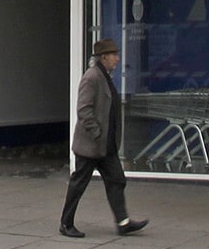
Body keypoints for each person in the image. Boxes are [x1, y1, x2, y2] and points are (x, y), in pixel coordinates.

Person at [60, 37, 147, 238]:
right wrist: (97, 132)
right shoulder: (92, 77)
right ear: (103, 57)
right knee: (78, 184)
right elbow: (84, 109)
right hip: (91, 145)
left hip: (105, 146)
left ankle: (123, 222)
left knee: (117, 179)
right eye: (114, 55)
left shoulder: (105, 76)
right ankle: (66, 223)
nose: (117, 59)